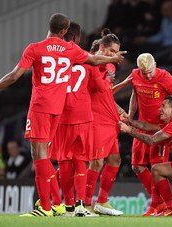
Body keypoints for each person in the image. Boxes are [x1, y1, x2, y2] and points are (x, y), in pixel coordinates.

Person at [0, 13, 126, 217]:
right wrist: (112, 58)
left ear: (52, 27)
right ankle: (56, 203)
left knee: (40, 156)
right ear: (64, 31)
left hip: (40, 107)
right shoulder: (71, 49)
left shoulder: (35, 48)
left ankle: (48, 205)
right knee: (52, 157)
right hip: (59, 110)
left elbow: (14, 76)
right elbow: (92, 59)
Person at [48, 22, 104, 217]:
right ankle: (81, 205)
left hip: (61, 114)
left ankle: (68, 206)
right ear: (78, 37)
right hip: (82, 115)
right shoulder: (86, 58)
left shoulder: (55, 57)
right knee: (81, 160)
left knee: (64, 161)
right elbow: (102, 88)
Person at [126, 53, 172, 216]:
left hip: (159, 128)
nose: (147, 75)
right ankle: (159, 203)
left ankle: (161, 205)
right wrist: (130, 115)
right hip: (141, 124)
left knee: (156, 167)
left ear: (155, 65)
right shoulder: (135, 75)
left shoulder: (165, 77)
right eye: (143, 72)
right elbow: (134, 96)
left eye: (150, 72)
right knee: (137, 167)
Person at [84, 29, 127, 216]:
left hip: (110, 119)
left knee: (115, 159)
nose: (113, 55)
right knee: (96, 163)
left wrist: (118, 109)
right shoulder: (90, 63)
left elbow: (106, 94)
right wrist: (110, 67)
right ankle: (84, 204)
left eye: (116, 51)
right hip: (96, 119)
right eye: (110, 50)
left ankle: (101, 201)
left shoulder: (110, 66)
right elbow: (100, 87)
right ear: (101, 47)